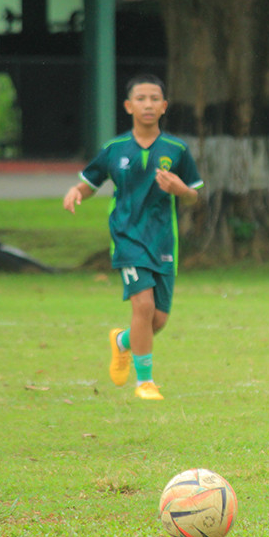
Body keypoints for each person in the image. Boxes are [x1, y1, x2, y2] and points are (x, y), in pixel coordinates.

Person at [62, 73, 203, 401]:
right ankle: (145, 382)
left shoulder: (177, 150)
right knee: (143, 307)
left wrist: (179, 188)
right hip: (127, 238)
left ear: (164, 106)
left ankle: (122, 342)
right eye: (141, 99)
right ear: (128, 106)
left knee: (158, 320)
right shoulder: (114, 149)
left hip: (164, 241)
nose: (148, 104)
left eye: (155, 99)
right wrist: (76, 191)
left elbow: (194, 195)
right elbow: (91, 180)